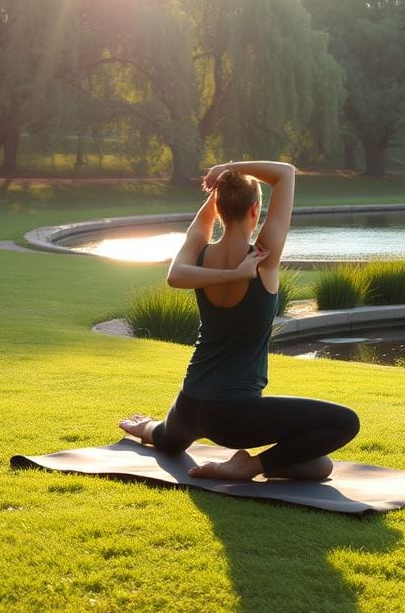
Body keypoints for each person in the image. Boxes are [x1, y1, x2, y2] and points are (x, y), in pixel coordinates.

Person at [119, 161, 359, 481]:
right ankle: (249, 466)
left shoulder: (199, 253)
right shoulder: (263, 258)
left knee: (167, 437)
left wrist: (147, 427)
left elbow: (178, 269)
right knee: (344, 425)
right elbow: (284, 173)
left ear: (217, 209)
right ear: (255, 210)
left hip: (190, 403)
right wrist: (227, 167)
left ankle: (150, 429)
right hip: (233, 417)